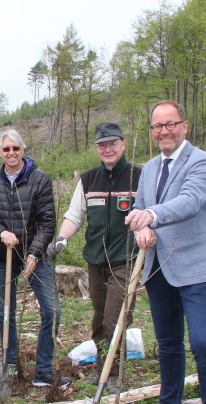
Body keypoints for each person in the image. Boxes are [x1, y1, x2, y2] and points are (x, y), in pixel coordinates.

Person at [125, 100, 206, 404]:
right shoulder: (150, 168)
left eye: (171, 124)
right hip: (159, 269)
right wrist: (142, 230)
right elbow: (142, 209)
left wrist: (151, 216)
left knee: (203, 342)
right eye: (157, 126)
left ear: (184, 126)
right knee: (168, 344)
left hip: (197, 269)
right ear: (152, 132)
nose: (164, 131)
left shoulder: (201, 162)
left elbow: (188, 202)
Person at [47, 123, 141, 388]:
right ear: (97, 149)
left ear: (122, 144)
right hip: (96, 260)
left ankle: (113, 375)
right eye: (102, 145)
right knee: (99, 318)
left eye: (112, 143)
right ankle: (103, 367)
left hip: (126, 259)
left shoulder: (138, 176)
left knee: (116, 317)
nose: (107, 149)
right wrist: (62, 239)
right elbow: (75, 215)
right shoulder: (88, 180)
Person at [0, 129, 66, 387]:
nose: (11, 153)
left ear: (23, 150)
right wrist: (1, 232)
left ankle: (43, 371)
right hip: (4, 257)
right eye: (6, 149)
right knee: (7, 313)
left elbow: (47, 222)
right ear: (0, 152)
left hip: (35, 256)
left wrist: (35, 253)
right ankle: (10, 367)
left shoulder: (40, 179)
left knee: (52, 310)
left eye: (15, 148)